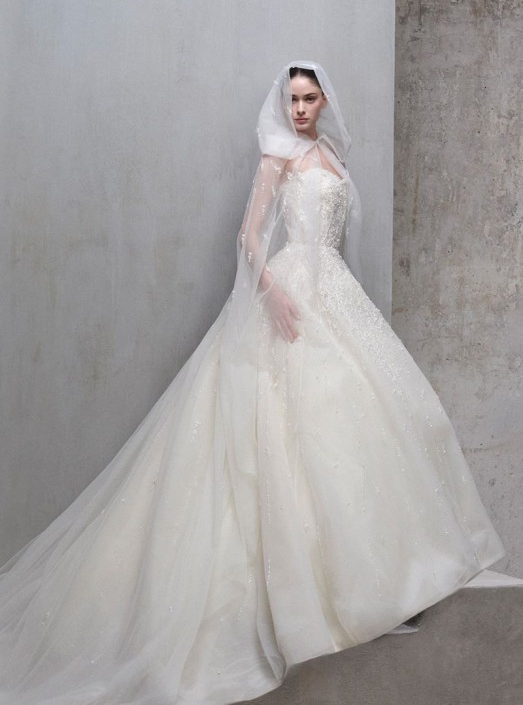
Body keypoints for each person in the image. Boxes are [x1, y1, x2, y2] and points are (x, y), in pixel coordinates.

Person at [0, 61, 504, 705]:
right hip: (290, 292)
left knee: (367, 424)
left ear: (325, 101)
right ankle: (317, 598)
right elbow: (249, 235)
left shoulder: (332, 156)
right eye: (292, 99)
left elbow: (335, 240)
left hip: (337, 294)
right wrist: (272, 293)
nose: (300, 109)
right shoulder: (278, 157)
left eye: (309, 98)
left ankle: (383, 583)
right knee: (291, 432)